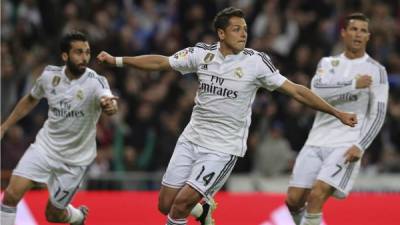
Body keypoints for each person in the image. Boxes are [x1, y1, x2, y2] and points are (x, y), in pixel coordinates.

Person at [97, 7, 357, 225]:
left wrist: (336, 112)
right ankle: (204, 211)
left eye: (245, 28)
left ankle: (195, 208)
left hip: (223, 148)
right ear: (221, 33)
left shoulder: (256, 62)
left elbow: (296, 91)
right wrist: (118, 60)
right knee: (165, 204)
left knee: (179, 207)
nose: (243, 33)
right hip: (191, 138)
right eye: (236, 29)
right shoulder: (201, 54)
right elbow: (161, 62)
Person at [0, 31, 118, 225]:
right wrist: (4, 126)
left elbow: (108, 100)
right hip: (45, 148)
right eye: (78, 52)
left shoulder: (96, 82)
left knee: (52, 215)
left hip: (75, 160)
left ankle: (77, 217)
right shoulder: (49, 76)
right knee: (11, 195)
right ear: (65, 56)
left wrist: (110, 106)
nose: (84, 57)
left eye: (87, 52)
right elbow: (30, 99)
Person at [285, 13, 389, 225]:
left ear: (368, 36)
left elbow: (378, 114)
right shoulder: (328, 63)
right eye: (353, 29)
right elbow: (316, 90)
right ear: (343, 33)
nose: (358, 34)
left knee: (317, 196)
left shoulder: (377, 71)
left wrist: (360, 145)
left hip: (346, 143)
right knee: (293, 201)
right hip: (316, 140)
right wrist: (353, 85)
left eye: (363, 30)